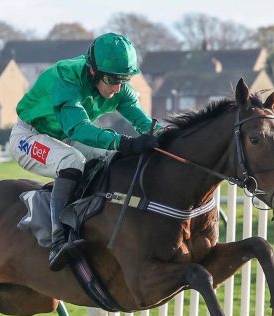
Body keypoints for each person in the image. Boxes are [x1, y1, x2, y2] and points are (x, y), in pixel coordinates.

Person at [9, 32, 160, 271]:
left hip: (64, 137)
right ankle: (58, 241)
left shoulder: (118, 87)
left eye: (124, 80)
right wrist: (125, 142)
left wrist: (168, 136)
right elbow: (78, 128)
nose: (118, 87)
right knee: (72, 160)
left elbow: (145, 123)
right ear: (93, 72)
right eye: (112, 80)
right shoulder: (66, 78)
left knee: (114, 160)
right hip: (29, 136)